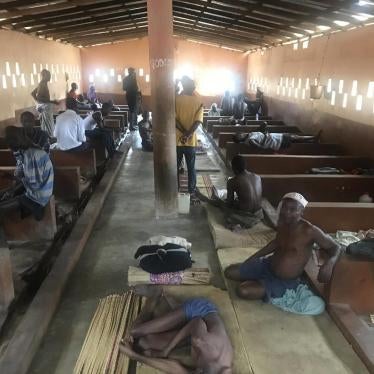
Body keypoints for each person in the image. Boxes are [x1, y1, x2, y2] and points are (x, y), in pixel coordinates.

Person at [224, 193, 341, 315]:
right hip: (267, 265)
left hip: (284, 281)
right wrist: (253, 258)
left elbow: (336, 247)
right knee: (229, 272)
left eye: (293, 209)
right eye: (285, 208)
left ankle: (263, 284)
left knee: (243, 291)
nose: (287, 212)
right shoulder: (283, 223)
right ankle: (259, 280)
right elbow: (275, 243)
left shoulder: (310, 230)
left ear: (301, 212)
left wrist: (330, 263)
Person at [119, 290, 233, 373]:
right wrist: (166, 351)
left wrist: (135, 356)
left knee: (143, 343)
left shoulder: (223, 370)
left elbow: (176, 369)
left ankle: (173, 316)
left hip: (199, 332)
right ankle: (154, 299)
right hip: (199, 311)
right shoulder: (202, 343)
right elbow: (196, 322)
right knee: (135, 332)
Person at [0, 126, 54, 222]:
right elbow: (25, 175)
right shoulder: (26, 151)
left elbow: (35, 185)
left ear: (12, 143)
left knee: (2, 207)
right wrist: (13, 184)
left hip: (38, 198)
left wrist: (14, 182)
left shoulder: (31, 155)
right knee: (4, 194)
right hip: (34, 191)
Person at [198, 155, 263, 230]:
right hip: (259, 213)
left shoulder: (232, 181)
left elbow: (228, 204)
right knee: (236, 201)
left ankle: (205, 199)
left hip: (245, 216)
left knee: (223, 206)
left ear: (234, 168)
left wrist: (217, 199)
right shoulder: (257, 177)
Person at [176, 76, 204, 203]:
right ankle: (191, 192)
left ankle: (175, 190)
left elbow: (174, 120)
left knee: (175, 167)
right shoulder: (199, 102)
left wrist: (183, 133)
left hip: (177, 140)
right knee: (191, 167)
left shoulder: (176, 100)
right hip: (191, 141)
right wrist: (188, 134)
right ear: (192, 88)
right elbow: (198, 121)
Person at [233, 126, 322, 152]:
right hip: (275, 141)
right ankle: (313, 138)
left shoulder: (249, 136)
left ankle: (313, 139)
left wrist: (264, 133)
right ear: (240, 139)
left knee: (294, 138)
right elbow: (260, 147)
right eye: (239, 136)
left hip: (274, 137)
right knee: (294, 138)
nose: (241, 134)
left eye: (239, 133)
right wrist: (265, 137)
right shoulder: (250, 140)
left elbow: (259, 138)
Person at [31, 69, 59, 137]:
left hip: (45, 106)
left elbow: (33, 93)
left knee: (46, 125)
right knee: (49, 125)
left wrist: (39, 104)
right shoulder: (42, 84)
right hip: (46, 107)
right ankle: (50, 139)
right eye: (48, 75)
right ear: (44, 76)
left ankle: (47, 138)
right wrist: (52, 102)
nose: (50, 77)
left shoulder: (42, 83)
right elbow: (40, 97)